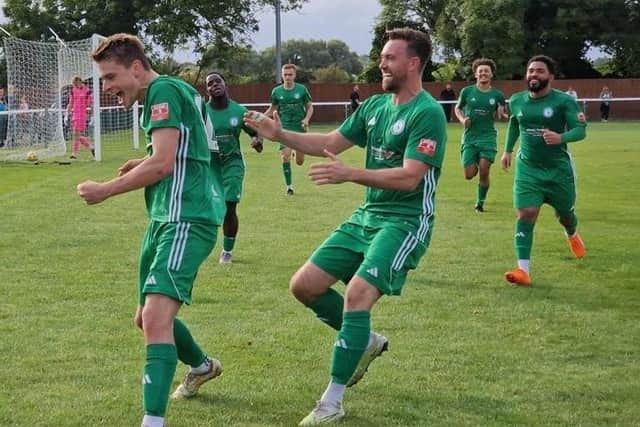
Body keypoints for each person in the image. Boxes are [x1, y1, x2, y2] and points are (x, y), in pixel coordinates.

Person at [245, 27, 447, 425]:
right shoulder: (373, 107)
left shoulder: (427, 113)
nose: (382, 63)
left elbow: (410, 177)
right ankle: (366, 341)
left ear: (413, 63)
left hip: (405, 222)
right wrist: (279, 134)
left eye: (390, 57)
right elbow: (329, 143)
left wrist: (352, 174)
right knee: (304, 285)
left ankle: (332, 402)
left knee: (356, 294)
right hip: (367, 217)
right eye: (382, 56)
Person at [77, 33, 225, 427]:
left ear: (137, 68)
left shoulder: (162, 90)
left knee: (157, 319)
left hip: (185, 219)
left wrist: (105, 190)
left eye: (110, 77)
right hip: (165, 218)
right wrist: (138, 160)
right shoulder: (168, 90)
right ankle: (202, 365)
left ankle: (152, 421)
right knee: (146, 318)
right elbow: (177, 149)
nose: (106, 88)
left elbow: (164, 165)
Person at [500, 55, 587, 287]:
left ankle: (572, 232)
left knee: (565, 214)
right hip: (528, 168)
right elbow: (515, 123)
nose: (533, 75)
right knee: (526, 212)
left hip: (558, 170)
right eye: (530, 71)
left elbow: (581, 130)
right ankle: (523, 270)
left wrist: (561, 137)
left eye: (539, 71)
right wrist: (507, 150)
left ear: (550, 76)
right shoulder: (517, 100)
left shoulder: (564, 102)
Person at [205, 71, 263, 265]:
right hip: (210, 165)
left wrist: (257, 141)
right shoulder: (202, 113)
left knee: (230, 204)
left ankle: (227, 251)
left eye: (217, 81)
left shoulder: (239, 111)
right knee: (213, 208)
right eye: (210, 83)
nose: (214, 85)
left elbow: (255, 133)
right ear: (207, 90)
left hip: (232, 163)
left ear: (225, 84)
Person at [454, 58, 507, 212]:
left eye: (486, 71)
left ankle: (480, 202)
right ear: (476, 74)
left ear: (491, 75)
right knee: (469, 175)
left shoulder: (497, 94)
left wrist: (502, 115)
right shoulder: (467, 91)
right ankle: (474, 162)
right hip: (470, 137)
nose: (483, 73)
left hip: (488, 137)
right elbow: (458, 109)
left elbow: (501, 113)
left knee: (485, 171)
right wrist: (463, 120)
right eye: (481, 71)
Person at [264, 64, 314, 195]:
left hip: (299, 128)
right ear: (282, 75)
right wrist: (260, 118)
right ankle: (289, 187)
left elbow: (310, 107)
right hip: (284, 128)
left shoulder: (302, 89)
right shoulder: (276, 91)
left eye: (290, 74)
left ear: (294, 75)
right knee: (285, 156)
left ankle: (296, 153)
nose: (287, 77)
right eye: (285, 74)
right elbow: (273, 108)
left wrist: (306, 119)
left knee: (299, 162)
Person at [67, 76, 95, 159]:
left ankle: (76, 153)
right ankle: (89, 147)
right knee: (76, 135)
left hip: (82, 115)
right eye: (74, 84)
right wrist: (67, 114)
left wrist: (93, 115)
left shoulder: (87, 90)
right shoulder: (73, 91)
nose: (75, 85)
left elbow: (90, 103)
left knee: (76, 135)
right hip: (75, 114)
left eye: (76, 83)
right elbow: (70, 102)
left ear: (80, 82)